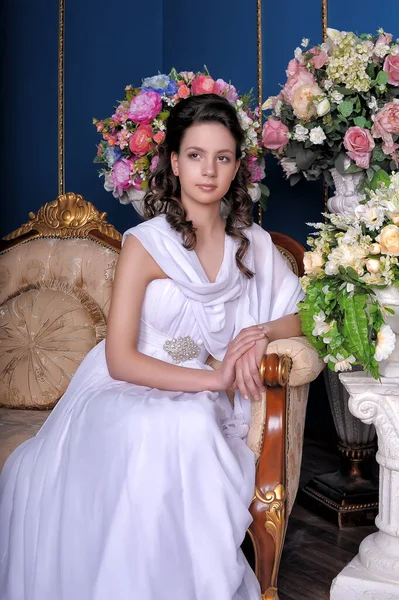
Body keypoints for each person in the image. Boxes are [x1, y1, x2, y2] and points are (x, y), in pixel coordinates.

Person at [0, 94, 303, 600]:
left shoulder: (252, 242)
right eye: (195, 155)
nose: (209, 170)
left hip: (204, 390)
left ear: (237, 168)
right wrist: (212, 379)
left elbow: (297, 314)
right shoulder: (146, 242)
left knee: (189, 424)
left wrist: (261, 333)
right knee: (165, 425)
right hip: (129, 382)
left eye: (222, 157)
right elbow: (120, 359)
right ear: (174, 163)